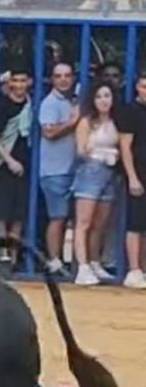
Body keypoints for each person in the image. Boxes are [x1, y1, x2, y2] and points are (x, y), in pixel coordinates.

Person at [73, 80, 122, 286]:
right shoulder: (86, 122)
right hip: (91, 170)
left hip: (110, 173)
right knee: (83, 222)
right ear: (93, 100)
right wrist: (104, 152)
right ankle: (82, 267)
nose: (104, 101)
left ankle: (94, 262)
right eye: (99, 96)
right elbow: (81, 151)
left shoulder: (115, 121)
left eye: (107, 96)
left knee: (100, 224)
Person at [0, 67, 33, 258]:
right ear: (9, 82)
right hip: (3, 163)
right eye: (16, 80)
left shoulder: (31, 104)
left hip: (25, 162)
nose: (20, 85)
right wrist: (9, 160)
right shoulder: (2, 105)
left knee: (19, 212)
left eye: (23, 80)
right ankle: (2, 253)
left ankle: (13, 254)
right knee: (2, 211)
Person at [38, 62, 81, 271]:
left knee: (70, 218)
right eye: (58, 76)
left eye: (67, 75)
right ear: (52, 79)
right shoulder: (50, 103)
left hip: (72, 169)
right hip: (55, 170)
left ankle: (66, 261)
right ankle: (54, 261)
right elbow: (49, 132)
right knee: (58, 217)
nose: (63, 79)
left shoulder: (71, 101)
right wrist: (72, 123)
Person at [117, 72, 146, 288]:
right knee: (135, 223)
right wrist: (132, 177)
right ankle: (134, 269)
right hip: (138, 173)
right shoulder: (130, 111)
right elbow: (125, 147)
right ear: (137, 87)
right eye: (144, 86)